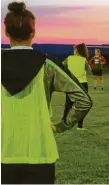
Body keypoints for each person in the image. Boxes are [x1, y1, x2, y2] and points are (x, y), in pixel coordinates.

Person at [1, 2, 92, 184]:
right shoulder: (47, 64)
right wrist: (61, 126)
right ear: (33, 33)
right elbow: (83, 100)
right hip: (40, 151)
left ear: (6, 32)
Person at [62, 43, 91, 130]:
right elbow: (89, 71)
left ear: (77, 50)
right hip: (82, 83)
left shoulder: (69, 58)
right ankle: (80, 126)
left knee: (68, 105)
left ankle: (63, 122)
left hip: (71, 83)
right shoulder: (83, 60)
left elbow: (62, 66)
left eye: (74, 49)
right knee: (83, 105)